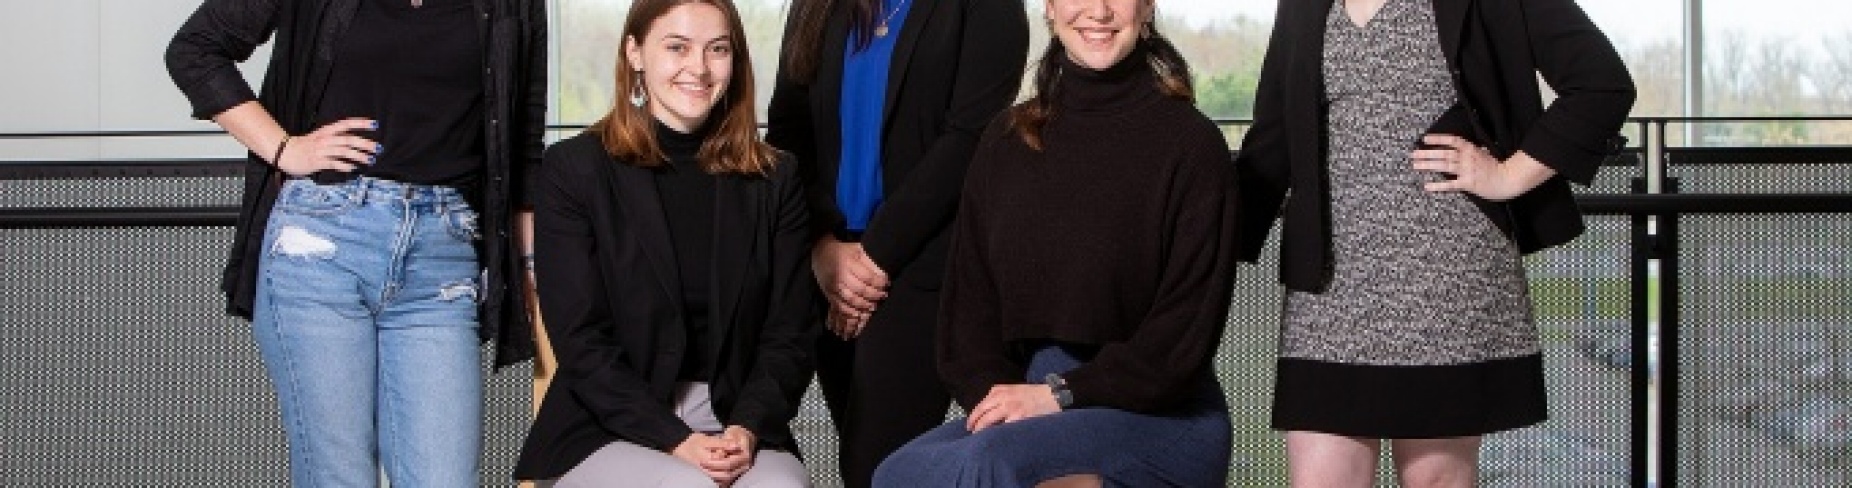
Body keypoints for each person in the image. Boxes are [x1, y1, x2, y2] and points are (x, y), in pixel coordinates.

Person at [1235, 0, 1636, 486]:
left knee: (1434, 477)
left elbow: (1602, 84)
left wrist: (1507, 175)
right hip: (1328, 286)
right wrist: (1192, 243)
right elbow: (1273, 139)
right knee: (1321, 475)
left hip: (1447, 278)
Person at [165, 0, 546, 485]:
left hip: (443, 257)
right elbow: (194, 50)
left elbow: (524, 131)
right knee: (339, 476)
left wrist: (529, 261)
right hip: (321, 244)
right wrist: (286, 149)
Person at [871, 0, 1241, 486]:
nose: (1099, 10)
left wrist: (1060, 395)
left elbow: (1176, 345)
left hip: (1162, 415)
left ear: (1147, 8)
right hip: (1033, 402)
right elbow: (967, 321)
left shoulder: (1193, 147)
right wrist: (1010, 402)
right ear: (1049, 7)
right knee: (898, 475)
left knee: (989, 465)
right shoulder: (1005, 142)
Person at [511, 1, 818, 486]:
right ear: (635, 52)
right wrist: (677, 441)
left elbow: (791, 332)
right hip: (604, 423)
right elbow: (582, 341)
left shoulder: (774, 179)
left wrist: (747, 426)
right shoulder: (574, 171)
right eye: (677, 47)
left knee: (783, 485)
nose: (698, 67)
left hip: (733, 418)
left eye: (717, 50)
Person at [765, 1, 1029, 485]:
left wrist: (871, 258)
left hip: (922, 267)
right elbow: (787, 128)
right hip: (828, 267)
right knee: (861, 459)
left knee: (877, 462)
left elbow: (969, 139)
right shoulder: (817, 5)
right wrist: (823, 246)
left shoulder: (988, 9)